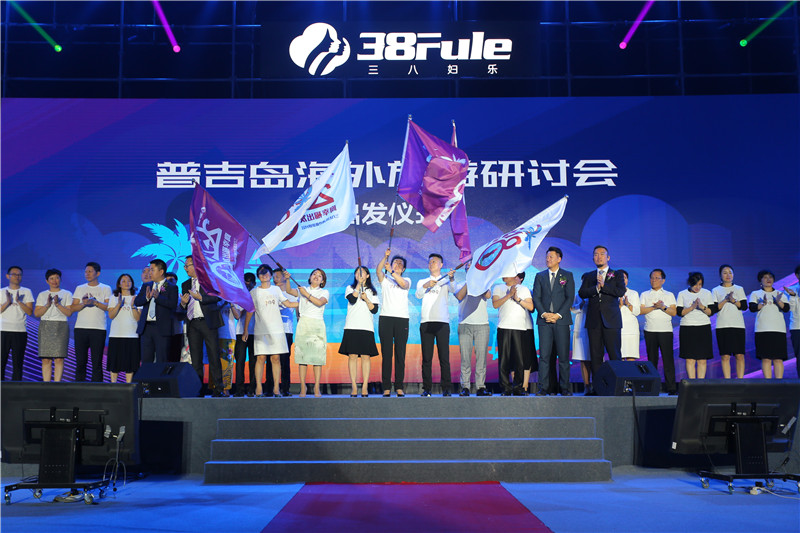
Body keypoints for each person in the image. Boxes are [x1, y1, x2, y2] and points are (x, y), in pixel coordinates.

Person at [180, 256, 227, 397]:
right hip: (192, 323)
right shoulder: (185, 284)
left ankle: (218, 388)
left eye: (187, 265)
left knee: (213, 355)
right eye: (185, 266)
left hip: (208, 322)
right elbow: (183, 306)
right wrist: (183, 304)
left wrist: (201, 298)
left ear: (196, 265)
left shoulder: (209, 280)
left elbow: (217, 297)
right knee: (195, 358)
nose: (185, 268)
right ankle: (198, 389)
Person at [532, 246, 575, 396]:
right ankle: (543, 387)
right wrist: (544, 314)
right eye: (547, 257)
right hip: (544, 322)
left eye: (551, 257)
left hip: (561, 321)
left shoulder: (567, 275)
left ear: (559, 259)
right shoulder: (540, 276)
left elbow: (570, 298)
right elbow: (536, 297)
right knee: (544, 356)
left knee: (563, 356)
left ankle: (564, 388)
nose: (548, 259)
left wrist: (557, 315)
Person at [578, 246, 626, 375]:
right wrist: (596, 288)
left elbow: (620, 291)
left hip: (611, 321)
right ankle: (598, 384)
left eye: (602, 254)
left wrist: (604, 286)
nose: (599, 257)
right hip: (594, 321)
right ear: (593, 258)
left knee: (614, 354)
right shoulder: (589, 276)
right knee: (596, 356)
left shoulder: (617, 274)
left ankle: (617, 383)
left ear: (608, 257)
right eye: (596, 254)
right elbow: (582, 293)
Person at [243, 265, 291, 397]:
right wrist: (246, 330)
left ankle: (276, 388)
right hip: (261, 329)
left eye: (266, 273)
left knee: (276, 358)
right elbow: (250, 311)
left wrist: (304, 302)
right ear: (258, 276)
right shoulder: (254, 292)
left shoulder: (276, 289)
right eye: (261, 273)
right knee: (260, 358)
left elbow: (287, 303)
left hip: (276, 329)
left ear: (270, 275)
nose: (264, 275)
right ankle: (258, 387)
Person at [415, 253, 455, 397]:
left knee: (444, 357)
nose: (431, 264)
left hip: (442, 322)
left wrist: (451, 278)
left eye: (434, 262)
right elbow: (418, 295)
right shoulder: (422, 281)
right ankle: (427, 388)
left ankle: (446, 388)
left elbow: (454, 290)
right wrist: (426, 286)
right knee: (427, 358)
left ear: (441, 265)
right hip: (426, 322)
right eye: (430, 262)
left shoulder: (445, 281)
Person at [285, 268, 328, 398]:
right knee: (302, 358)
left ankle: (316, 387)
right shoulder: (302, 289)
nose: (316, 276)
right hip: (303, 324)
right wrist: (287, 279)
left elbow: (319, 302)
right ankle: (303, 387)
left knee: (317, 359)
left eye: (320, 276)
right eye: (314, 274)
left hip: (317, 325)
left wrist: (306, 294)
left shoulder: (324, 292)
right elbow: (289, 291)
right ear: (310, 278)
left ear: (322, 281)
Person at [338, 266, 380, 397]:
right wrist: (358, 286)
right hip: (352, 326)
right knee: (352, 356)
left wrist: (366, 299)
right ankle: (354, 386)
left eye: (362, 273)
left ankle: (365, 386)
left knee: (366, 356)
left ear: (368, 275)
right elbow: (352, 299)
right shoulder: (350, 288)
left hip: (366, 327)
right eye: (357, 273)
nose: (359, 274)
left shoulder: (372, 291)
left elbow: (374, 310)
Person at [493, 272, 535, 396]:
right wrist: (509, 295)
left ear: (514, 275)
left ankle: (518, 387)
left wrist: (518, 299)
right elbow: (495, 304)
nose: (504, 275)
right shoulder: (498, 287)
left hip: (520, 328)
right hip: (504, 327)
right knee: (504, 360)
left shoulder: (523, 289)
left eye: (507, 273)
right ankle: (505, 388)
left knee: (519, 360)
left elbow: (531, 307)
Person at [376, 249, 411, 397]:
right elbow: (378, 271)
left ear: (403, 269)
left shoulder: (407, 280)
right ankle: (386, 387)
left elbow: (403, 284)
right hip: (386, 318)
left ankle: (399, 386)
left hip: (402, 319)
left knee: (400, 354)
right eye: (395, 262)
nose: (397, 265)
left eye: (400, 264)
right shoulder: (385, 280)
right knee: (387, 354)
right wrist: (385, 257)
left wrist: (391, 271)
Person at [454, 263, 492, 397]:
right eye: (467, 267)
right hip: (465, 324)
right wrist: (469, 280)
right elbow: (459, 296)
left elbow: (488, 295)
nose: (469, 268)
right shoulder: (460, 284)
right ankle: (465, 386)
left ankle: (480, 386)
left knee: (481, 358)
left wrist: (478, 279)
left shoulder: (484, 281)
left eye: (472, 267)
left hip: (482, 324)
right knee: (465, 358)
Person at [70, 261, 111, 382]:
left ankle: (97, 388)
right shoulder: (80, 288)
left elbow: (108, 307)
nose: (87, 274)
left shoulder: (105, 288)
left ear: (97, 273)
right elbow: (73, 308)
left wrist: (94, 302)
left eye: (90, 271)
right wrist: (84, 303)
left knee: (97, 362)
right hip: (80, 329)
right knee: (80, 361)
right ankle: (79, 387)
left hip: (98, 329)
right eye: (86, 271)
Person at [639, 269, 678, 394]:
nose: (654, 280)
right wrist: (653, 307)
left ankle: (671, 387)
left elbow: (674, 312)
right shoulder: (645, 294)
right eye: (652, 278)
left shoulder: (669, 295)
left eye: (657, 278)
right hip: (650, 330)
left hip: (665, 331)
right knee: (652, 360)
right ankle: (652, 388)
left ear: (663, 280)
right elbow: (641, 311)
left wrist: (663, 307)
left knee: (668, 360)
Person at [134, 259, 179, 365]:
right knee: (146, 360)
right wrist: (146, 298)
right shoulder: (147, 285)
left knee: (161, 360)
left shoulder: (171, 287)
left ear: (161, 271)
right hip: (146, 328)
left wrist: (158, 297)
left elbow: (172, 304)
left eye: (152, 270)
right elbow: (137, 302)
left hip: (162, 328)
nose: (149, 272)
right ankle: (146, 377)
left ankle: (160, 377)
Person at [748, 270, 790, 379]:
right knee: (765, 358)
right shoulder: (756, 293)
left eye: (770, 277)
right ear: (760, 280)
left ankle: (779, 383)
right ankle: (768, 383)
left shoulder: (780, 293)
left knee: (778, 358)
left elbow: (786, 308)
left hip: (778, 330)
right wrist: (763, 303)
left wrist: (778, 301)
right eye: (765, 277)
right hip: (762, 330)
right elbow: (752, 308)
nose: (768, 279)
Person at [34, 268, 73, 382]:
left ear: (60, 279)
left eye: (57, 278)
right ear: (47, 281)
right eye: (51, 278)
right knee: (46, 359)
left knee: (59, 358)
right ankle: (46, 385)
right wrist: (47, 304)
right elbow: (37, 313)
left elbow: (69, 313)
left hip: (61, 326)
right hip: (45, 326)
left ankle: (57, 385)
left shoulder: (67, 294)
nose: (54, 280)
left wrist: (57, 304)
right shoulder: (42, 294)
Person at [676, 272, 715, 379]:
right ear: (690, 283)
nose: (698, 287)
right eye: (695, 284)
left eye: (700, 284)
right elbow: (680, 312)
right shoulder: (682, 294)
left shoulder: (707, 293)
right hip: (687, 328)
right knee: (690, 359)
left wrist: (701, 306)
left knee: (702, 359)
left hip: (703, 327)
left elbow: (711, 312)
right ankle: (692, 384)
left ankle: (700, 384)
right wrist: (692, 307)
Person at [712, 264, 748, 379]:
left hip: (738, 326)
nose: (728, 275)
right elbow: (714, 308)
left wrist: (733, 300)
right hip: (722, 326)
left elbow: (744, 306)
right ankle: (727, 381)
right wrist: (725, 300)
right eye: (725, 273)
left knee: (740, 355)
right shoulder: (715, 290)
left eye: (730, 272)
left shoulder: (739, 289)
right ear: (720, 275)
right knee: (725, 356)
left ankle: (740, 381)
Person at [1, 266, 34, 381]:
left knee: (18, 362)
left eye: (19, 274)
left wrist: (19, 301)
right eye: (14, 274)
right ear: (7, 276)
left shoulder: (27, 291)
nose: (17, 277)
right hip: (3, 330)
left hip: (20, 331)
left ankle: (16, 388)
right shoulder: (1, 291)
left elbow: (29, 311)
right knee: (1, 361)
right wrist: (8, 301)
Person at [107, 274, 141, 383]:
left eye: (129, 281)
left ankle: (128, 386)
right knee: (114, 364)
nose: (127, 283)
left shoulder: (137, 297)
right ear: (119, 284)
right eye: (124, 281)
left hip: (132, 335)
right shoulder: (114, 297)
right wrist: (119, 304)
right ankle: (113, 386)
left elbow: (138, 318)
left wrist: (133, 306)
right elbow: (111, 315)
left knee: (130, 365)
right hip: (116, 334)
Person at [273, 269, 296, 397]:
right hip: (272, 330)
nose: (274, 278)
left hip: (286, 331)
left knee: (284, 361)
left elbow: (297, 310)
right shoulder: (271, 292)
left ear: (284, 277)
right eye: (273, 276)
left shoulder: (290, 293)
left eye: (277, 276)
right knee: (272, 360)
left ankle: (285, 388)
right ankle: (270, 388)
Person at [232, 272, 256, 397]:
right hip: (241, 332)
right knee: (240, 361)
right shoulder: (239, 296)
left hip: (256, 332)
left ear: (254, 284)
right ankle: (239, 389)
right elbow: (237, 315)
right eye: (245, 284)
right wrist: (231, 303)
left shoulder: (257, 294)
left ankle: (252, 389)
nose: (247, 286)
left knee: (254, 362)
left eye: (250, 284)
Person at [570, 295, 592, 394]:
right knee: (583, 358)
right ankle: (586, 385)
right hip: (581, 327)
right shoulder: (578, 295)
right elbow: (572, 308)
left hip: (594, 327)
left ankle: (596, 384)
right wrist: (581, 304)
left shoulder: (597, 292)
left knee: (595, 358)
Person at [617, 269, 641, 361]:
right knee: (619, 357)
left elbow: (637, 312)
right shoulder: (611, 293)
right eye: (620, 278)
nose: (623, 280)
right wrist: (619, 305)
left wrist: (628, 304)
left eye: (625, 278)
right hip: (617, 329)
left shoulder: (633, 293)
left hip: (631, 329)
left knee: (631, 357)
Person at [165, 272, 184, 363]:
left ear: (176, 281)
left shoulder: (180, 297)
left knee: (175, 356)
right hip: (163, 331)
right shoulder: (160, 296)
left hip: (177, 331)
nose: (169, 283)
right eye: (167, 281)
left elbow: (182, 315)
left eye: (171, 280)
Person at [784, 265, 800, 364]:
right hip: (797, 327)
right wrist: (793, 296)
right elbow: (791, 309)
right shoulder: (791, 290)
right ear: (797, 275)